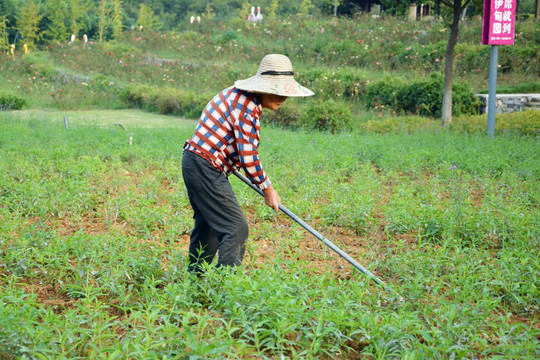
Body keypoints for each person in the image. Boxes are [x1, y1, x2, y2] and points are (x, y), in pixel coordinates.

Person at [182, 54, 314, 274]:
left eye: (285, 92)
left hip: (195, 162)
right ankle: (226, 285)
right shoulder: (247, 107)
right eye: (277, 90)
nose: (283, 97)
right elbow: (248, 155)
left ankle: (196, 283)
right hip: (204, 165)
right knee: (236, 228)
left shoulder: (239, 98)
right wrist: (268, 189)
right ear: (262, 87)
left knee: (210, 226)